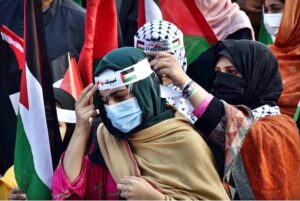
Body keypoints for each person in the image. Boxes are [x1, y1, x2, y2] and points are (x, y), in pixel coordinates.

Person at [52, 47, 229, 200]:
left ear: (146, 90)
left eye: (120, 96)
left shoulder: (184, 141)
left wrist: (158, 199)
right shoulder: (106, 138)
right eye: (105, 101)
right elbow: (66, 193)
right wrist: (81, 129)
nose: (111, 107)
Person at [150, 40, 300, 199]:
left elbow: (231, 126)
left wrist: (183, 81)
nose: (222, 79)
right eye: (218, 72)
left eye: (232, 72)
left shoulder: (280, 128)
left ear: (257, 75)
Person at [134, 20, 195, 121]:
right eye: (149, 59)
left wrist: (183, 81)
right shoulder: (129, 100)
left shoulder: (195, 99)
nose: (158, 66)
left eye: (166, 58)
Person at [266, 0, 300, 119]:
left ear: (296, 11)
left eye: (275, 9)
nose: (269, 17)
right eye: (266, 10)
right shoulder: (264, 55)